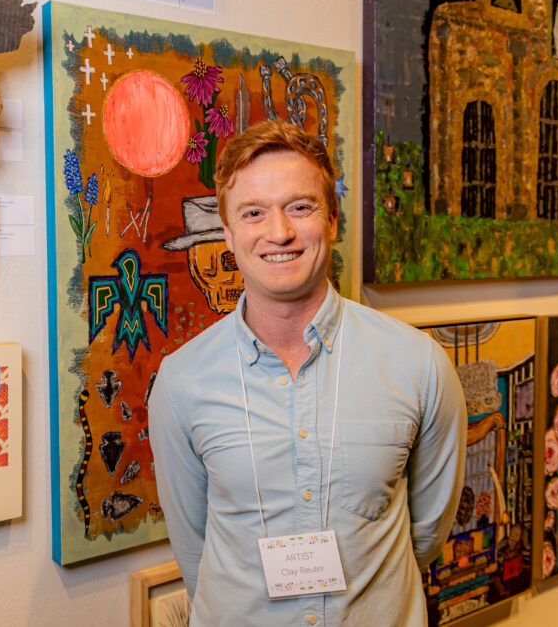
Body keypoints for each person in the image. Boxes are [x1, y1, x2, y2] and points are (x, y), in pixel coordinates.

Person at [149, 119, 467, 626]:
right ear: (228, 234)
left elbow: (425, 533)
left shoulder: (418, 364)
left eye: (301, 207)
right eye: (254, 213)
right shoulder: (181, 382)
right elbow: (194, 545)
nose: (280, 232)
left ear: (333, 220)